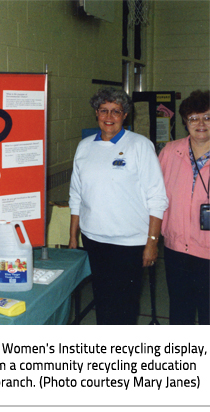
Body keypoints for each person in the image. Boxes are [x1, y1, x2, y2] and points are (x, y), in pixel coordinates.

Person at [68, 87, 168, 325]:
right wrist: (73, 237)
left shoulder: (140, 145)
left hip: (129, 242)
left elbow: (157, 197)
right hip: (94, 239)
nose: (109, 117)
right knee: (103, 301)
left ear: (125, 115)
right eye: (104, 110)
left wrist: (151, 243)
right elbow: (76, 195)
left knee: (125, 307)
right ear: (96, 113)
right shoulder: (84, 147)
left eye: (116, 111)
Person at [158, 90, 210, 325]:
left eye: (207, 117)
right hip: (176, 249)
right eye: (193, 118)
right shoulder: (170, 152)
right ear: (184, 122)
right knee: (180, 311)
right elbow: (155, 197)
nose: (200, 123)